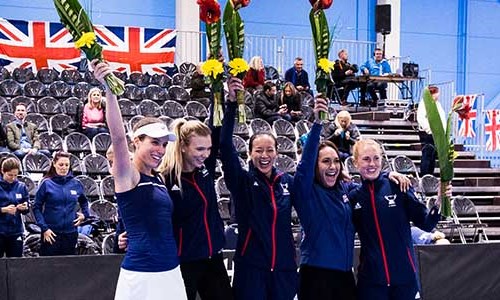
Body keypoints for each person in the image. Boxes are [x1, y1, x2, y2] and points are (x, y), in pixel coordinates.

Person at [293, 97, 410, 300]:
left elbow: (369, 185)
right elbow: (304, 167)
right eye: (325, 162)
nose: (332, 166)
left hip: (345, 277)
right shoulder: (307, 193)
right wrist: (317, 124)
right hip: (316, 277)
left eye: (336, 161)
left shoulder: (346, 190)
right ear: (315, 166)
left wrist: (387, 175)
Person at [91, 60, 187, 300]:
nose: (161, 150)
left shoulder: (158, 178)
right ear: (137, 141)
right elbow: (117, 137)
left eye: (164, 144)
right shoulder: (127, 175)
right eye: (154, 142)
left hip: (171, 271)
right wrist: (110, 91)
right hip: (141, 276)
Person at [220, 76, 298, 300]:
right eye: (259, 150)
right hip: (252, 270)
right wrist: (231, 104)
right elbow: (225, 146)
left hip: (284, 269)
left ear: (277, 152)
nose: (264, 156)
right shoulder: (241, 181)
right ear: (249, 153)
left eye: (269, 150)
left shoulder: (286, 182)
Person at [348, 138, 449, 300]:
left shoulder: (399, 186)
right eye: (366, 159)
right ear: (355, 162)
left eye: (376, 158)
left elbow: (426, 224)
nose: (372, 164)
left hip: (405, 279)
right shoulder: (354, 196)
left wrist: (439, 201)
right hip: (371, 282)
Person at [158, 118, 233, 300]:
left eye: (208, 148)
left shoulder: (205, 167)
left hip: (213, 256)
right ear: (183, 146)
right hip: (184, 261)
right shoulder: (165, 179)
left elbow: (218, 122)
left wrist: (226, 97)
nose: (206, 154)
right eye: (199, 149)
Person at [33, 151, 90, 256]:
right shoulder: (46, 183)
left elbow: (84, 201)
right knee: (48, 268)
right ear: (54, 164)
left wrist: (85, 215)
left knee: (68, 268)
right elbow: (36, 207)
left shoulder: (76, 183)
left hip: (70, 233)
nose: (64, 167)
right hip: (51, 233)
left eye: (67, 165)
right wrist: (44, 228)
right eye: (61, 164)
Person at [0, 157, 29, 257]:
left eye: (15, 175)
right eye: (10, 175)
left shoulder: (21, 186)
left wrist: (24, 207)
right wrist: (3, 210)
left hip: (16, 230)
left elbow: (27, 205)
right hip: (1, 230)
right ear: (2, 171)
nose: (13, 178)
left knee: (16, 264)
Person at [417, 86, 444, 176]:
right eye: (437, 93)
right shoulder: (424, 103)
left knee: (432, 156)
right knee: (427, 155)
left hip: (437, 132)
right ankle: (424, 175)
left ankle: (430, 175)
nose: (438, 95)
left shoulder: (437, 104)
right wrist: (429, 130)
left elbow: (442, 118)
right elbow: (421, 118)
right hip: (428, 133)